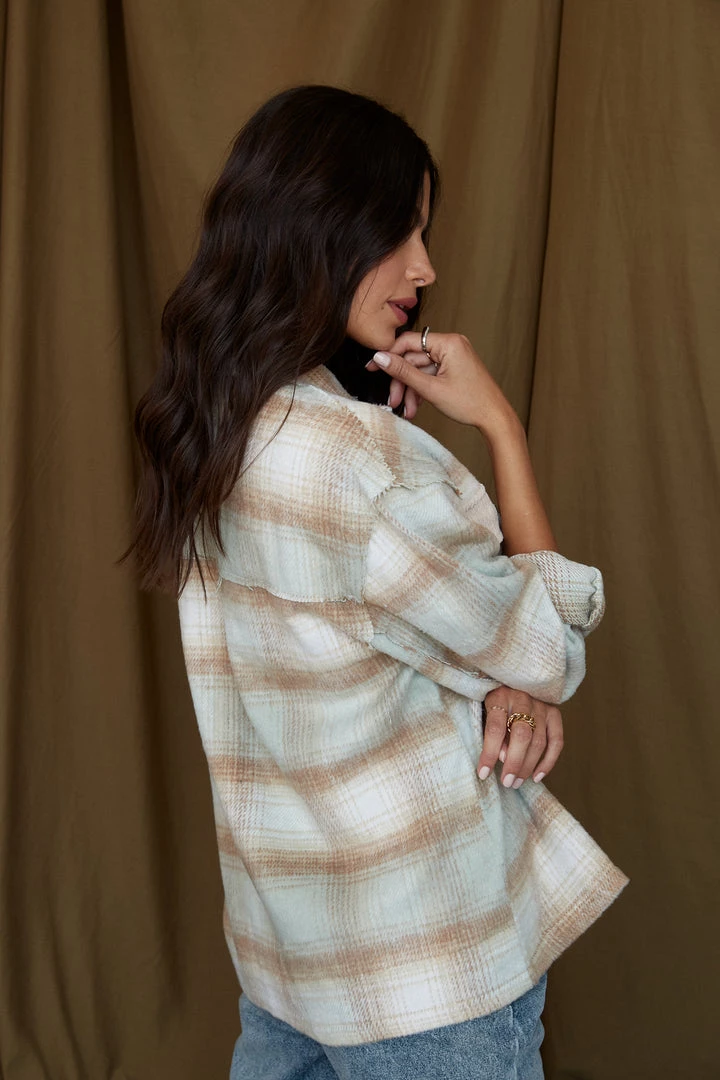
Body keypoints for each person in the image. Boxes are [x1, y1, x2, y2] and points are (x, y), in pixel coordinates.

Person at [126, 85, 628, 1079]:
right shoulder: (361, 466)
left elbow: (370, 638)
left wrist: (506, 679)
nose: (425, 267)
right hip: (423, 971)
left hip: (289, 957)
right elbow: (548, 649)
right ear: (321, 227)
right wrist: (500, 427)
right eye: (402, 231)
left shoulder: (211, 429)